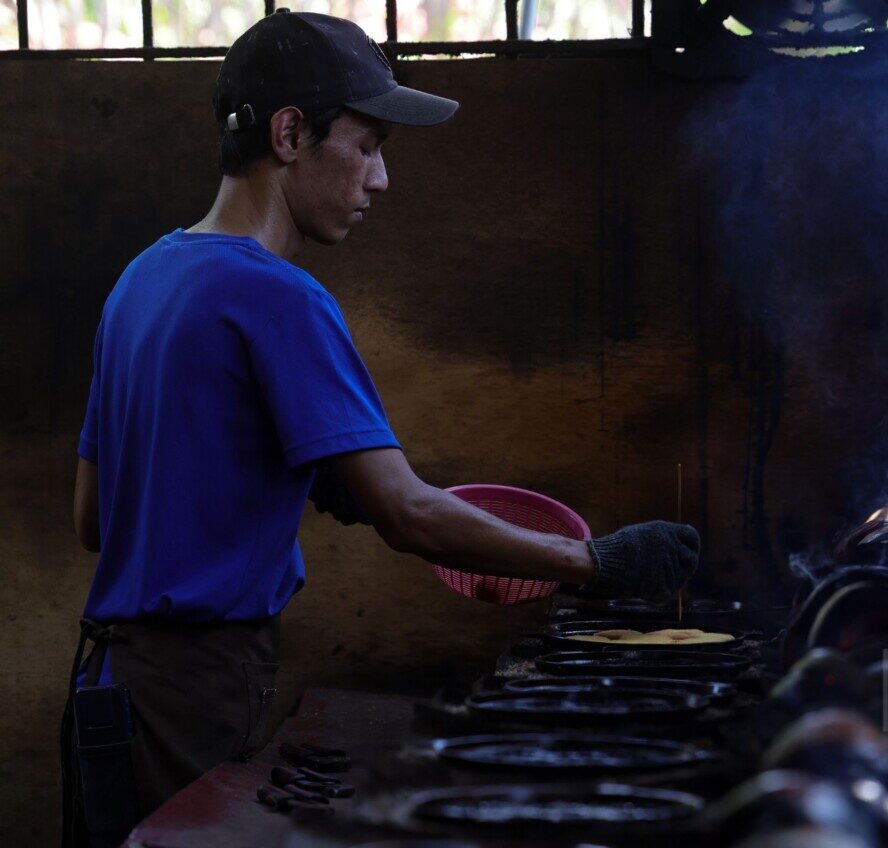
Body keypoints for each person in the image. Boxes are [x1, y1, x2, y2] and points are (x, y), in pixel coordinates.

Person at [64, 9, 700, 847]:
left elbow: (94, 521)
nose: (379, 180)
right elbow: (408, 513)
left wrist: (267, 471)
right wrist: (595, 563)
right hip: (196, 687)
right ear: (290, 134)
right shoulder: (279, 296)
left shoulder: (141, 280)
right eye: (366, 147)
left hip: (108, 685)